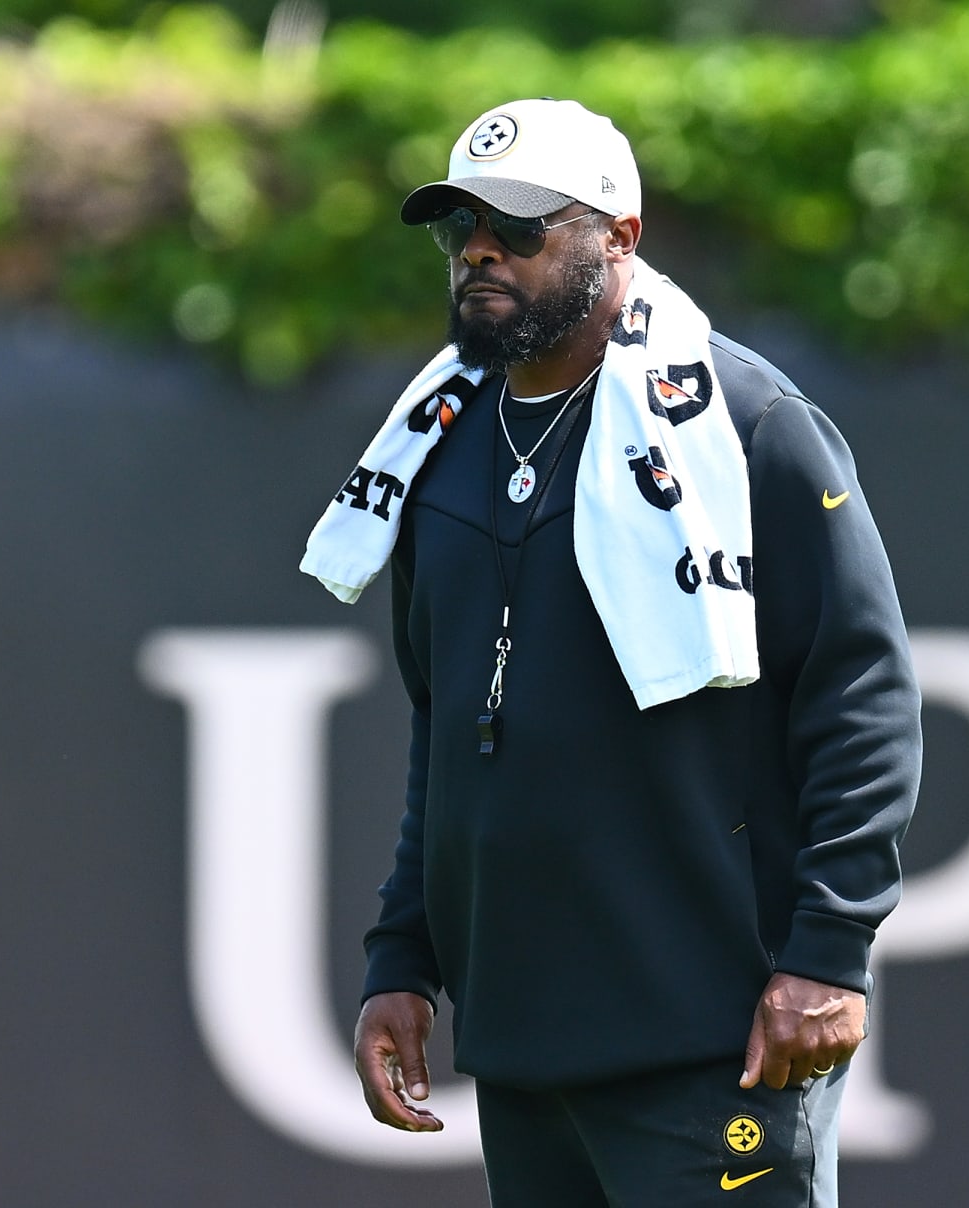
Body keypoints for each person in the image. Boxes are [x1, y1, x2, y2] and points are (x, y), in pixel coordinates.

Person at [300, 98, 922, 1207]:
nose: (482, 250)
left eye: (524, 225)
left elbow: (863, 692)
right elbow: (446, 729)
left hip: (714, 1038)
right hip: (527, 1040)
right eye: (462, 230)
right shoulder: (434, 455)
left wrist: (830, 949)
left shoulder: (749, 425)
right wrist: (404, 957)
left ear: (620, 238)